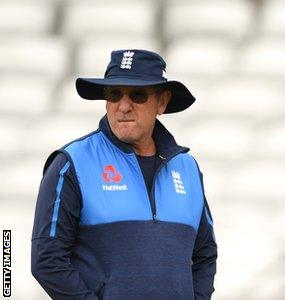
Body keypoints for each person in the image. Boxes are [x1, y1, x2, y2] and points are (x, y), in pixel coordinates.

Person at [31, 49, 217, 299]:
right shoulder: (71, 163)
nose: (123, 106)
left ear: (162, 102)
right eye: (114, 93)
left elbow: (205, 254)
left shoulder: (188, 168)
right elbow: (46, 261)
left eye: (137, 95)